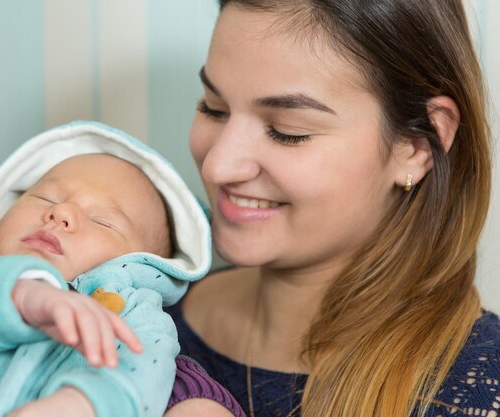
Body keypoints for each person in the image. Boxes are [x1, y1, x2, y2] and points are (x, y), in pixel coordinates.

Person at [165, 0, 500, 416]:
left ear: (416, 146)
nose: (218, 166)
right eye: (212, 108)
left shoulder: (475, 392)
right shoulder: (136, 321)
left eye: (288, 132)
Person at [0, 121, 215, 417]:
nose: (61, 213)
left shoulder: (132, 311)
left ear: (144, 261)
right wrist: (20, 296)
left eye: (102, 220)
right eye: (45, 198)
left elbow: (144, 371)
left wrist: (80, 404)